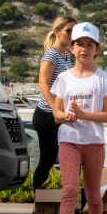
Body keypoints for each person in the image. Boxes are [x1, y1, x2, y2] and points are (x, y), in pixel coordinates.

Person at [50, 22, 107, 214]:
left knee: (93, 195)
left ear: (97, 49)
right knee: (69, 189)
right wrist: (66, 116)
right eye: (79, 44)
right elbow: (56, 113)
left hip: (94, 142)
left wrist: (84, 115)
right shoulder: (63, 78)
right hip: (69, 140)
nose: (84, 49)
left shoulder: (103, 79)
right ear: (71, 46)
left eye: (89, 45)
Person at [33, 16, 76, 192]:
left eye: (75, 31)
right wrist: (55, 110)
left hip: (59, 114)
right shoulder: (51, 55)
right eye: (68, 31)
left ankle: (63, 200)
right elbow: (43, 83)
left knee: (64, 158)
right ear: (57, 32)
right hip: (46, 115)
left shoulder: (66, 56)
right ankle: (39, 202)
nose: (72, 35)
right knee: (47, 158)